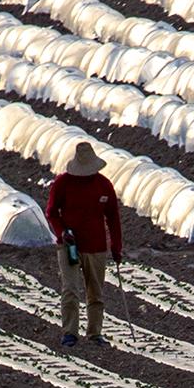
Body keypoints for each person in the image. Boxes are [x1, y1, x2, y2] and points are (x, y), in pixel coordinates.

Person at [42, 143, 125, 346]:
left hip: (96, 246)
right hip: (69, 246)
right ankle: (70, 332)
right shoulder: (63, 183)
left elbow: (113, 217)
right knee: (70, 289)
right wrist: (62, 232)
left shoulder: (104, 185)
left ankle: (95, 333)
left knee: (95, 292)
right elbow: (51, 212)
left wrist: (116, 247)